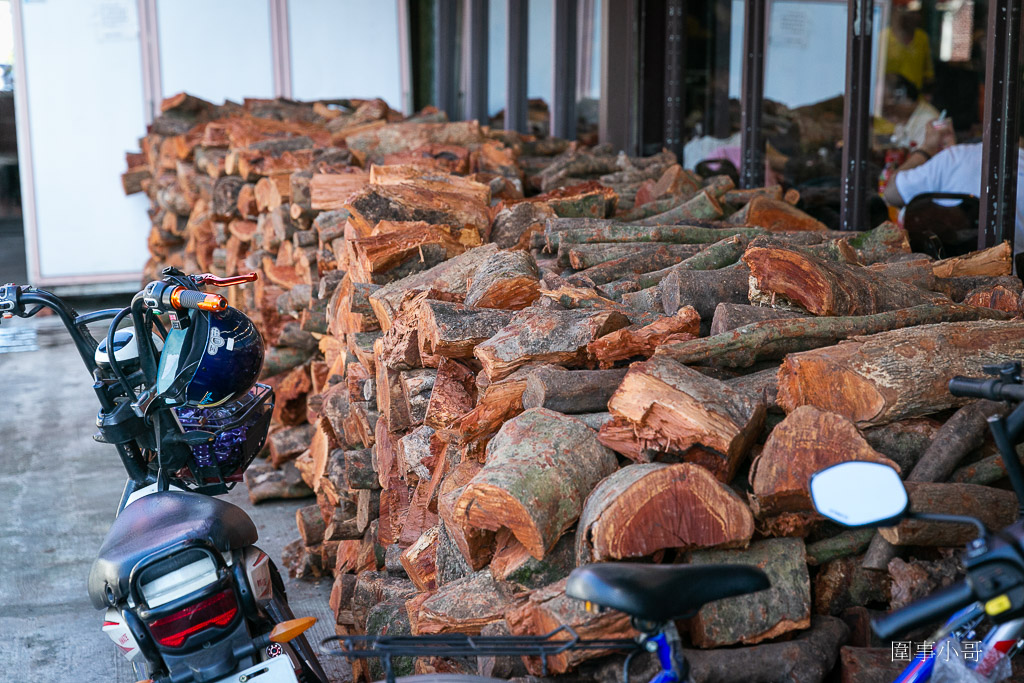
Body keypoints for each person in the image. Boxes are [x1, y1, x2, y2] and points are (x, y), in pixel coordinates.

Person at [883, 109, 1024, 264]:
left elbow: (891, 193)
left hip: (937, 274)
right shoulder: (954, 155)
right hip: (1008, 281)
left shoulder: (955, 156)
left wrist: (927, 149)